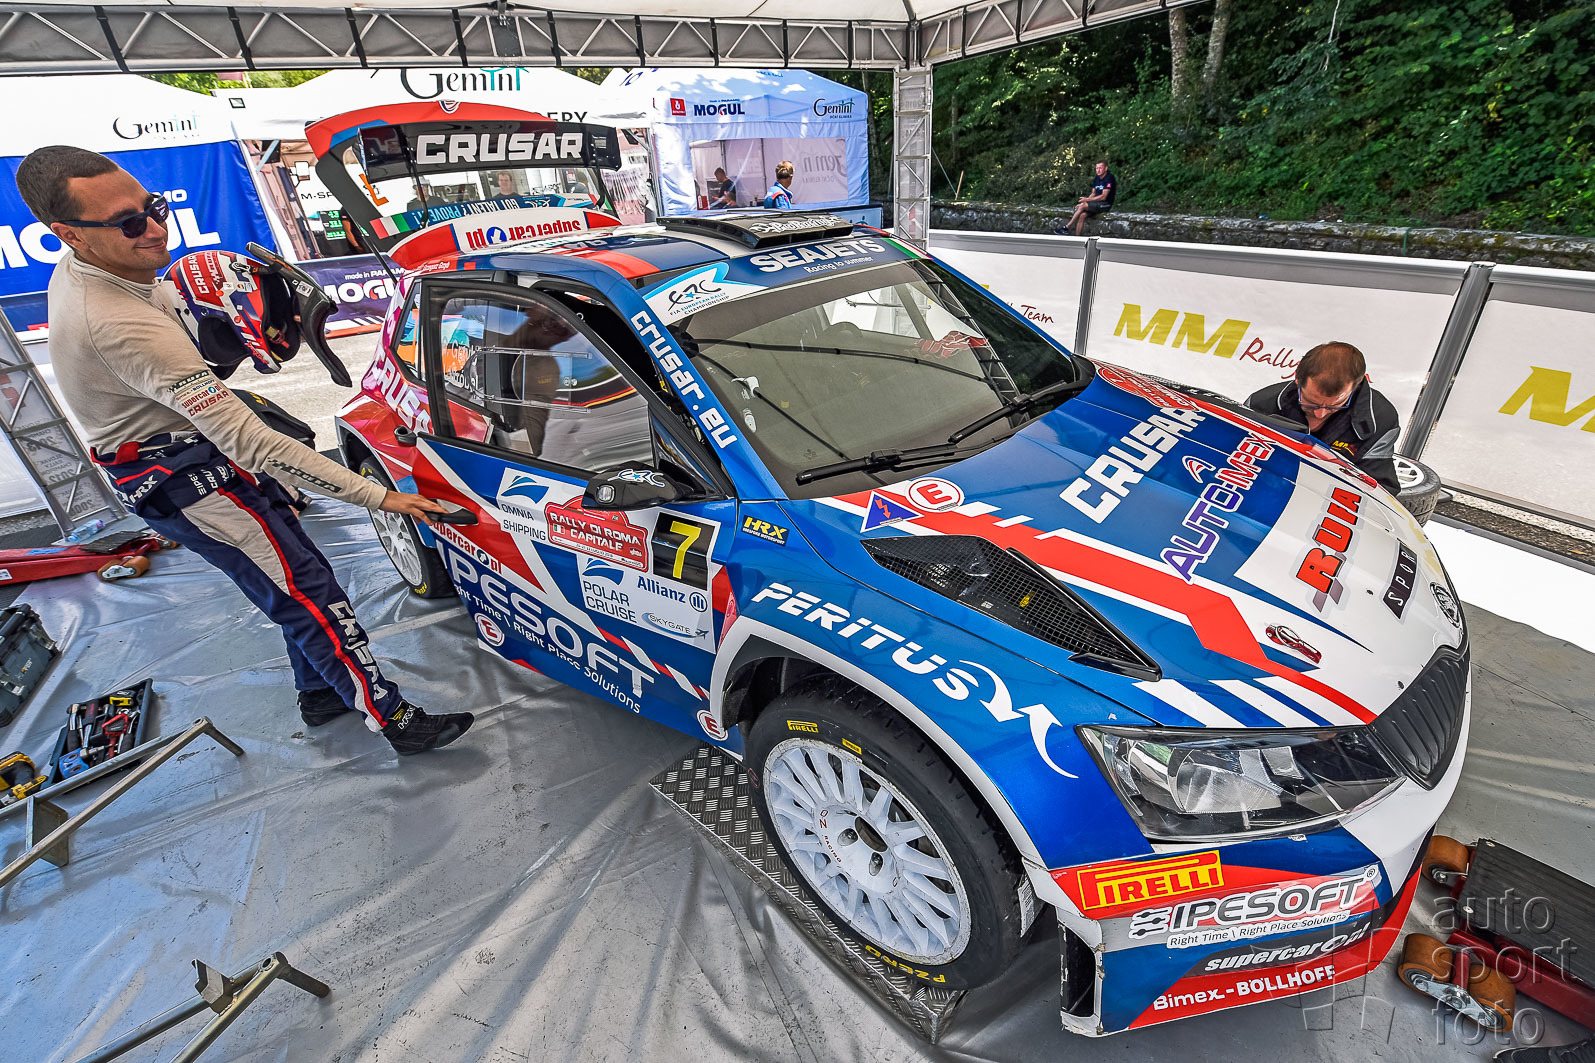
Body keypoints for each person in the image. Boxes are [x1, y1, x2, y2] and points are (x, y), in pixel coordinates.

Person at [15, 145, 475, 756]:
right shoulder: (118, 323)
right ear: (68, 234)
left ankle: (320, 694)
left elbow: (195, 383)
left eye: (153, 208)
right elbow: (250, 440)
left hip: (186, 452)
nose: (155, 230)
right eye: (129, 224)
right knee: (309, 595)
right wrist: (383, 498)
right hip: (180, 475)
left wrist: (216, 342)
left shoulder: (94, 268)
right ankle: (393, 719)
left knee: (296, 578)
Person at [1246, 341, 1402, 495]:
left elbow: (1381, 491)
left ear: (1355, 387)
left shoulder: (1380, 421)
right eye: (1311, 403)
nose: (1319, 414)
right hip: (1263, 488)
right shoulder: (1260, 405)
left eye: (1334, 406)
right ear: (1298, 379)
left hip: (1330, 498)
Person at [1058, 161, 1116, 236]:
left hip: (1105, 204)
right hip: (1096, 204)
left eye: (1100, 168)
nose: (1098, 170)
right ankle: (1077, 237)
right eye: (1097, 168)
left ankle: (1066, 227)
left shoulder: (1109, 178)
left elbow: (1103, 196)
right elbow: (1093, 193)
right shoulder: (1096, 178)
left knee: (1082, 206)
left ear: (1106, 168)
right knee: (1082, 215)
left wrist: (1086, 201)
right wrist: (1084, 203)